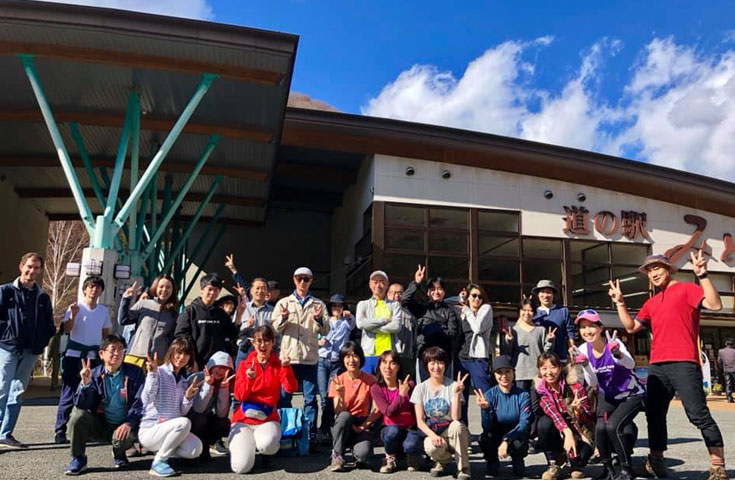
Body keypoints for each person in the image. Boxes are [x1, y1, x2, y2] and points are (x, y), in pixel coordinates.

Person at [609, 252, 727, 480]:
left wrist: (702, 274)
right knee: (654, 415)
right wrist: (620, 303)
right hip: (657, 366)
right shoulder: (651, 302)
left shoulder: (686, 289)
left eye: (657, 268)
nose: (653, 273)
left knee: (698, 414)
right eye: (649, 270)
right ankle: (656, 461)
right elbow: (632, 327)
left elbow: (715, 304)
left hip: (684, 362)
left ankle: (717, 465)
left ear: (669, 269)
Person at [574, 309, 644, 480]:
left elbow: (630, 364)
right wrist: (585, 365)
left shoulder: (614, 342)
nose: (587, 331)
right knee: (600, 429)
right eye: (583, 327)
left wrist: (617, 354)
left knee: (613, 426)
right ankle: (608, 469)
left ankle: (626, 469)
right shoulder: (583, 348)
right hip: (608, 394)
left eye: (591, 326)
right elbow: (592, 382)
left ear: (600, 327)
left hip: (631, 393)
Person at [63, 334, 144, 474]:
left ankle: (119, 454)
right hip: (100, 424)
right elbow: (82, 404)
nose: (117, 353)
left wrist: (129, 422)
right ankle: (78, 458)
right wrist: (85, 384)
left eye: (121, 349)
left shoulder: (135, 372)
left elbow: (141, 401)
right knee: (77, 414)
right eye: (112, 349)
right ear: (101, 353)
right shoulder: (93, 374)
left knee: (127, 434)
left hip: (124, 425)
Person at [0, 252, 55, 449]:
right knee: (1, 390)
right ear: (21, 266)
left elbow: (49, 323)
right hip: (7, 348)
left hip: (30, 351)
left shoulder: (42, 297)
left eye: (37, 268)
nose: (32, 271)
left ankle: (5, 434)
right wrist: (5, 336)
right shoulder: (5, 291)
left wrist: (42, 342)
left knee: (17, 392)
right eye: (29, 266)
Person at [230, 325, 297, 474]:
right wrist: (248, 379)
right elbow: (239, 396)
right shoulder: (244, 365)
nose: (262, 345)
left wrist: (286, 367)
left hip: (267, 418)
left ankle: (266, 453)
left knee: (268, 444)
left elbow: (290, 388)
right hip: (243, 419)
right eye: (259, 341)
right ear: (253, 343)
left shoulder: (278, 364)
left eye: (267, 341)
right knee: (241, 468)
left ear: (273, 343)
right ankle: (245, 446)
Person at [272, 267, 328, 442]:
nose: (302, 282)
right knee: (285, 396)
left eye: (306, 279)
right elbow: (274, 329)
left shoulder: (319, 304)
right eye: (299, 279)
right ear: (294, 280)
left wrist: (319, 319)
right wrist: (283, 318)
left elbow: (326, 330)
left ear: (311, 280)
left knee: (310, 399)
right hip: (289, 358)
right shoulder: (283, 303)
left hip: (310, 357)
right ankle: (285, 431)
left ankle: (310, 433)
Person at [55, 275, 111, 444]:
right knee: (69, 393)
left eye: (98, 287)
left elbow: (106, 332)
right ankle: (60, 431)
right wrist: (72, 315)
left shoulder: (103, 310)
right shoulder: (76, 307)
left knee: (92, 394)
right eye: (91, 286)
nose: (94, 290)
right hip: (74, 355)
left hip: (93, 357)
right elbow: (66, 329)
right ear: (85, 289)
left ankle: (88, 430)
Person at [138, 337, 203, 477]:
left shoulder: (183, 380)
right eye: (178, 353)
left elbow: (182, 411)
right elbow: (146, 398)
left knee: (195, 449)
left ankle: (163, 450)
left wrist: (188, 396)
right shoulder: (159, 372)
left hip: (169, 430)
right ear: (171, 353)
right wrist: (152, 374)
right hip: (151, 430)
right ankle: (159, 462)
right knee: (184, 423)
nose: (182, 357)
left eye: (186, 354)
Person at [410, 346, 471, 480]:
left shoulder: (454, 385)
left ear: (446, 365)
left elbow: (456, 417)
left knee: (457, 425)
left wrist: (456, 394)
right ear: (426, 365)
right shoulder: (420, 388)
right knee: (431, 447)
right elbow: (420, 421)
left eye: (440, 363)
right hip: (434, 430)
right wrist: (432, 436)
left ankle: (463, 467)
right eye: (432, 363)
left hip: (451, 431)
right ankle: (443, 460)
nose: (436, 367)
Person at [535, 352, 595, 480]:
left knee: (578, 465)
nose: (549, 372)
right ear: (539, 370)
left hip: (580, 430)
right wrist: (567, 433)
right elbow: (553, 413)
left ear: (560, 367)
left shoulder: (574, 385)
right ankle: (554, 462)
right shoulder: (541, 390)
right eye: (544, 368)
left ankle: (576, 464)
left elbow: (590, 417)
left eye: (553, 367)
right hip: (560, 431)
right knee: (543, 423)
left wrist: (579, 411)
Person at [476, 355, 531, 477]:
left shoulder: (523, 395)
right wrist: (486, 409)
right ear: (494, 375)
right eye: (499, 372)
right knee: (485, 437)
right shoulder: (489, 395)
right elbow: (487, 426)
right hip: (496, 432)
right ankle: (492, 461)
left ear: (513, 372)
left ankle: (517, 460)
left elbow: (524, 422)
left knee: (520, 440)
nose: (504, 376)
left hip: (516, 432)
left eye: (507, 371)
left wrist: (506, 440)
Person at [402, 265, 460, 381]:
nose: (436, 292)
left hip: (443, 357)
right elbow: (404, 300)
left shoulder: (450, 311)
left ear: (444, 292)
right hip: (424, 355)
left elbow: (452, 333)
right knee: (424, 390)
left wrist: (435, 330)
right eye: (432, 289)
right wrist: (416, 282)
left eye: (439, 289)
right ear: (428, 292)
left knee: (445, 390)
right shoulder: (422, 308)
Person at [328, 341, 379, 472]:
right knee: (344, 415)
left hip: (362, 422)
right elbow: (338, 412)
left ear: (361, 358)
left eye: (355, 355)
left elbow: (376, 409)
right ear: (342, 359)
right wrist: (341, 395)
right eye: (347, 356)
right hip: (344, 422)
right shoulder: (337, 380)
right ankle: (337, 455)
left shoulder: (371, 380)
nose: (352, 360)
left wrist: (363, 426)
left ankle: (357, 451)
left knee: (363, 455)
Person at [370, 349, 422, 473]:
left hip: (410, 428)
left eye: (392, 363)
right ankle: (389, 458)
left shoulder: (409, 384)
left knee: (411, 444)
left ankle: (412, 455)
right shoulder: (376, 388)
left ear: (398, 367)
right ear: (379, 365)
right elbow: (388, 412)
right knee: (392, 432)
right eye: (384, 362)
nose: (388, 367)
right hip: (389, 429)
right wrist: (401, 395)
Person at [174, 273, 237, 369]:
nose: (212, 293)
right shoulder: (190, 310)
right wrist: (191, 359)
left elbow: (232, 334)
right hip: (195, 363)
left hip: (215, 364)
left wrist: (239, 315)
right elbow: (181, 334)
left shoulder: (220, 313)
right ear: (202, 290)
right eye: (210, 289)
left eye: (216, 290)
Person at [118, 275, 177, 372]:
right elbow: (123, 320)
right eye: (161, 286)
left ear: (172, 291)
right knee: (130, 385)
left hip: (158, 359)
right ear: (155, 287)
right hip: (135, 355)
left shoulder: (173, 313)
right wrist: (126, 299)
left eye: (168, 287)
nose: (164, 290)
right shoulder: (143, 304)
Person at [317, 294, 354, 442]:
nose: (337, 309)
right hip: (322, 360)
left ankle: (329, 427)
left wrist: (349, 315)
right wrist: (319, 340)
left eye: (340, 306)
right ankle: (324, 428)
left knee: (332, 395)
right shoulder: (325, 321)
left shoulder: (346, 322)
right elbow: (316, 333)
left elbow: (354, 323)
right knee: (323, 396)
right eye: (334, 306)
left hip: (337, 363)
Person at [456, 283, 494, 419]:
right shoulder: (463, 312)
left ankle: (489, 431)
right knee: (461, 397)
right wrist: (461, 300)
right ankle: (463, 430)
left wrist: (467, 311)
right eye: (473, 295)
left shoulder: (486, 309)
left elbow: (477, 327)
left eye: (480, 296)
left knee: (484, 396)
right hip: (461, 358)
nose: (477, 299)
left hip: (478, 359)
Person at [188, 351, 234, 460]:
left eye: (225, 368)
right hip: (190, 417)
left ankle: (208, 444)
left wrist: (224, 389)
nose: (221, 371)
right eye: (219, 366)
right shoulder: (196, 378)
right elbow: (198, 408)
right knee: (200, 419)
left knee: (224, 423)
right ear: (210, 366)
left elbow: (222, 414)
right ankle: (197, 448)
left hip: (207, 416)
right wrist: (208, 385)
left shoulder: (225, 382)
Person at [356, 270, 402, 374]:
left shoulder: (395, 305)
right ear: (370, 284)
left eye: (382, 282)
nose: (378, 285)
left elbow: (396, 327)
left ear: (387, 285)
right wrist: (384, 320)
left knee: (386, 386)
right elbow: (360, 324)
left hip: (389, 354)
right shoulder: (363, 304)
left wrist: (370, 326)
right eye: (375, 282)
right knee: (368, 386)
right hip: (369, 353)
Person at [235, 277, 274, 369]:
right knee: (242, 380)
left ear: (267, 292)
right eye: (257, 288)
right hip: (246, 349)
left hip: (265, 351)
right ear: (251, 290)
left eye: (263, 288)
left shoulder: (273, 311)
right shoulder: (242, 308)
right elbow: (234, 330)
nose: (260, 291)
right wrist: (246, 327)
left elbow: (276, 333)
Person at [532, 280, 575, 363]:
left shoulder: (563, 311)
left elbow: (570, 333)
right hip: (540, 359)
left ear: (553, 295)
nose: (545, 295)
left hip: (560, 358)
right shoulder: (533, 313)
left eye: (548, 292)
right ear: (538, 294)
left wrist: (571, 349)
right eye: (542, 292)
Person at [387, 283, 416, 378]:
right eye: (393, 293)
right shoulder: (384, 311)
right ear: (387, 294)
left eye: (400, 293)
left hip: (407, 356)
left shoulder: (410, 313)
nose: (397, 296)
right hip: (389, 355)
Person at [717, 338, 735, 403]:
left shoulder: (721, 351)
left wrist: (721, 368)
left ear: (726, 344)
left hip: (726, 369)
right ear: (732, 345)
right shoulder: (734, 351)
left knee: (728, 384)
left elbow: (719, 361)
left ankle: (729, 397)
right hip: (734, 369)